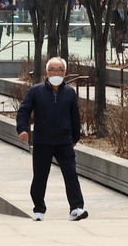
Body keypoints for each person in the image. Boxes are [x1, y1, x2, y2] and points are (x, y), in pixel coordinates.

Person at [17, 57, 87, 222]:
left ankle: (76, 208)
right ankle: (39, 210)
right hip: (43, 141)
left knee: (71, 174)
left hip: (64, 141)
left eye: (60, 69)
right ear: (47, 72)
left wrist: (75, 136)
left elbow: (75, 116)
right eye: (53, 69)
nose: (57, 72)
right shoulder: (36, 91)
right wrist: (23, 129)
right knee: (40, 177)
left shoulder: (70, 91)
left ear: (65, 72)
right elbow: (23, 111)